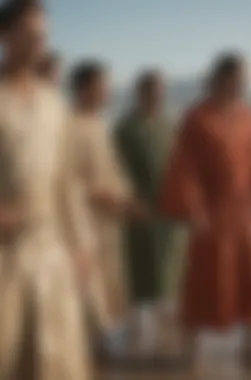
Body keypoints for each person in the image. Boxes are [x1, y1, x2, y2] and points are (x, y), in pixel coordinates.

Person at [159, 52, 251, 370]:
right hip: (210, 214)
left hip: (244, 213)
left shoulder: (249, 118)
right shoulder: (196, 118)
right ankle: (190, 351)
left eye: (244, 80)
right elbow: (182, 167)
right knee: (202, 282)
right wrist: (191, 208)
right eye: (236, 79)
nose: (241, 85)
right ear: (219, 78)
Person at [0, 1, 91, 379]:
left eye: (44, 32)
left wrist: (81, 246)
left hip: (50, 248)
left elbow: (66, 183)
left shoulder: (54, 104)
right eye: (31, 30)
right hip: (4, 254)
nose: (40, 39)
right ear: (5, 35)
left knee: (54, 358)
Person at [68, 60, 139, 355]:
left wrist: (124, 197)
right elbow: (66, 181)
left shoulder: (98, 122)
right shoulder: (68, 125)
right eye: (103, 85)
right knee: (86, 289)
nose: (108, 91)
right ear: (84, 88)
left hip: (108, 223)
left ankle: (97, 345)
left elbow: (110, 168)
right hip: (82, 224)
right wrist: (105, 196)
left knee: (107, 285)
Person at [114, 70, 187, 351]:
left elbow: (180, 164)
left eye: (162, 91)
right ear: (141, 92)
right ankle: (134, 328)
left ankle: (164, 323)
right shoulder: (125, 128)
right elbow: (114, 170)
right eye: (154, 90)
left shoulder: (169, 125)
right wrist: (128, 201)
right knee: (137, 267)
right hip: (138, 208)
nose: (159, 95)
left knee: (169, 266)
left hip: (168, 209)